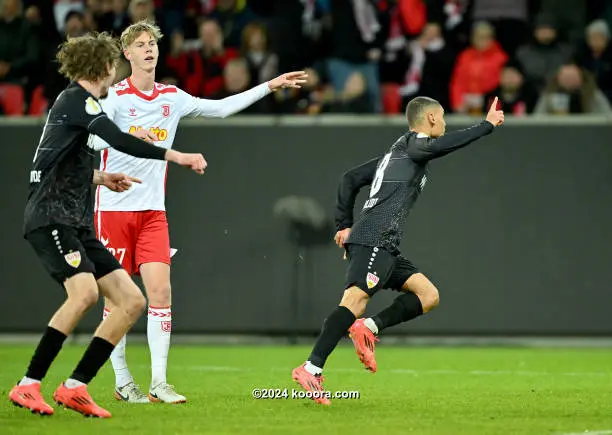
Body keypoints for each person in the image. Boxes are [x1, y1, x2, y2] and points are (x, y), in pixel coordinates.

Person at [89, 20, 307, 404]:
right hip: (113, 212)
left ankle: (159, 383)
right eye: (140, 45)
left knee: (160, 292)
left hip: (153, 212)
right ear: (127, 54)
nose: (148, 49)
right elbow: (90, 138)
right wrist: (123, 141)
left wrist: (270, 85)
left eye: (152, 43)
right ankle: (123, 382)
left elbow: (221, 109)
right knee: (117, 303)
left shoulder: (171, 97)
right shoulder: (115, 98)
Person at [8, 32, 206, 418]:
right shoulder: (78, 100)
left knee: (131, 301)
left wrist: (102, 179)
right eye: (112, 66)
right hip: (52, 217)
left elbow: (60, 164)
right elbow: (118, 139)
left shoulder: (78, 107)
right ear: (101, 67)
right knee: (84, 294)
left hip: (75, 221)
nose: (113, 73)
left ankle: (75, 386)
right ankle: (29, 384)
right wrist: (176, 155)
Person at [292, 96, 504, 405]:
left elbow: (350, 179)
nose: (444, 124)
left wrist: (343, 226)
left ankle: (369, 328)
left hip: (384, 243)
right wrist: (486, 126)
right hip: (374, 239)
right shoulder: (416, 144)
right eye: (443, 117)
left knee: (428, 295)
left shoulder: (397, 153)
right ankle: (311, 368)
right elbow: (438, 147)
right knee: (354, 300)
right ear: (430, 118)